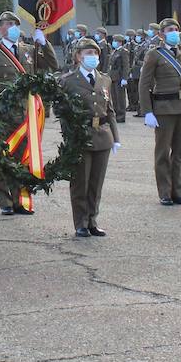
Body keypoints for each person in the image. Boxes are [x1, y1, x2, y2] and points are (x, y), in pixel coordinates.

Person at [0, 10, 59, 214]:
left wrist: (44, 42)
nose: (13, 27)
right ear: (0, 28)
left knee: (24, 157)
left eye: (15, 23)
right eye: (8, 23)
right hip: (3, 114)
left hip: (26, 112)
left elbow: (53, 65)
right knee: (4, 157)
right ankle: (5, 201)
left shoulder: (29, 50)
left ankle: (20, 199)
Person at [62, 37, 119, 237]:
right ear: (78, 56)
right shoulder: (68, 80)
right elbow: (63, 112)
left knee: (96, 182)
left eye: (95, 53)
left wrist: (116, 137)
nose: (93, 57)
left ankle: (92, 220)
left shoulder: (104, 79)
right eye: (88, 53)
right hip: (80, 137)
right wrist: (70, 137)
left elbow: (109, 110)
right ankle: (80, 222)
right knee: (80, 182)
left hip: (102, 135)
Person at [139, 17, 181, 206]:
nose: (174, 32)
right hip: (164, 109)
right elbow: (144, 83)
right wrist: (147, 111)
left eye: (176, 29)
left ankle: (177, 192)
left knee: (179, 153)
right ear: (161, 34)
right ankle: (164, 192)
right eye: (170, 29)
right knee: (163, 152)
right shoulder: (155, 54)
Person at [108, 31, 129, 123]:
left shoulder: (123, 52)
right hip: (113, 77)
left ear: (120, 42)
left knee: (120, 97)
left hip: (119, 77)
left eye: (115, 41)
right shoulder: (114, 51)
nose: (114, 42)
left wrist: (125, 78)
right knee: (114, 97)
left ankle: (121, 115)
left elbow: (126, 65)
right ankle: (117, 113)